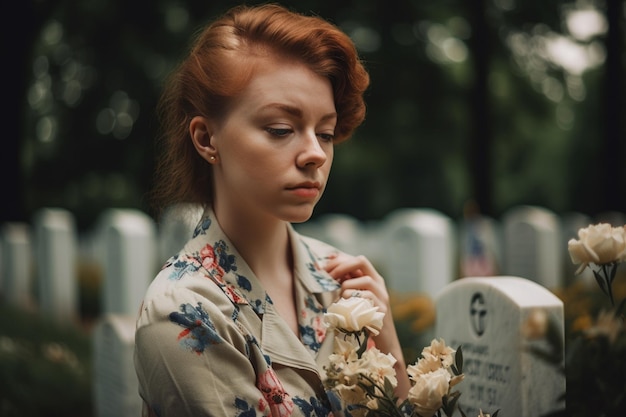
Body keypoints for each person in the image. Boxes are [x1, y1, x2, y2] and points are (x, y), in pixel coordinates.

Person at [134, 3, 410, 416]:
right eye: (281, 129)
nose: (315, 153)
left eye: (327, 133)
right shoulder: (183, 312)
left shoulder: (343, 280)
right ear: (207, 138)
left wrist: (387, 343)